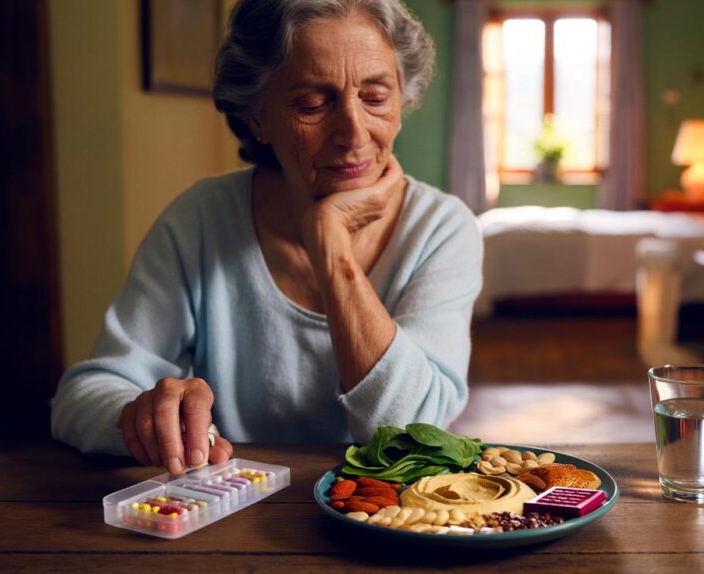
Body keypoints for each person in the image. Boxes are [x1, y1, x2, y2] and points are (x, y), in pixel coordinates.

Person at [51, 0, 481, 476]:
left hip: (384, 522)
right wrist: (141, 418)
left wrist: (330, 249)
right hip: (232, 508)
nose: (353, 133)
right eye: (313, 104)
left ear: (403, 101)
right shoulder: (200, 220)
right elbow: (82, 396)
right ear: (258, 116)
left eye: (376, 97)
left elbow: (408, 433)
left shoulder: (442, 228)